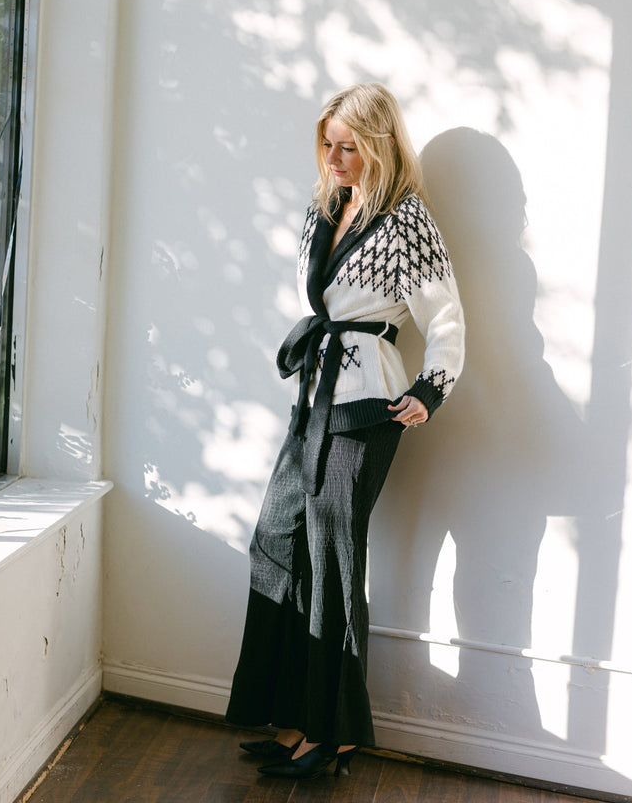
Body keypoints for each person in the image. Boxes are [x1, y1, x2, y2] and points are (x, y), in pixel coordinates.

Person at [225, 83, 465, 779]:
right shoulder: (324, 208)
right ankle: (292, 713)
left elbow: (446, 317)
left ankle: (332, 734)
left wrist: (430, 389)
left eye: (349, 147)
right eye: (327, 144)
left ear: (379, 146)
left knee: (332, 561)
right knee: (276, 541)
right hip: (313, 399)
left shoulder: (406, 220)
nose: (333, 158)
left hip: (368, 408)